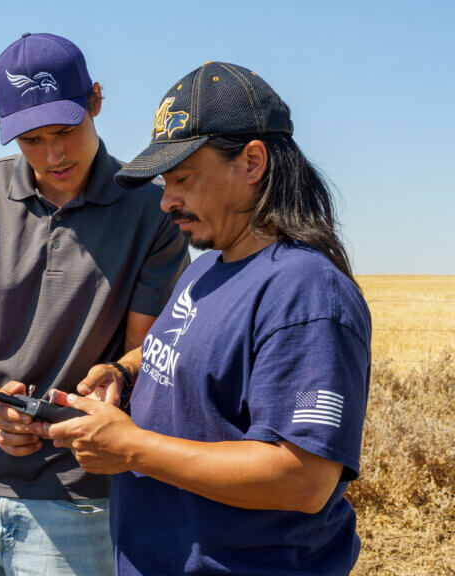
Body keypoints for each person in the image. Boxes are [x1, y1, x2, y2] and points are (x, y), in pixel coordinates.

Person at [46, 61, 372, 575]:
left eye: (183, 178)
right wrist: (122, 374)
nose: (166, 200)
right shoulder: (205, 270)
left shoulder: (307, 294)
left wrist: (131, 448)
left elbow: (303, 478)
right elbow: (178, 353)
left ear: (252, 162)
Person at [0, 33, 188, 575]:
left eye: (65, 131)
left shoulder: (155, 208)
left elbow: (146, 348)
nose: (52, 155)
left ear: (97, 101)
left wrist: (119, 374)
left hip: (78, 500)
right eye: (31, 139)